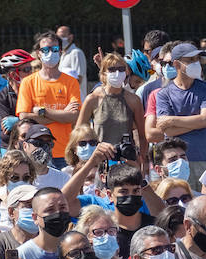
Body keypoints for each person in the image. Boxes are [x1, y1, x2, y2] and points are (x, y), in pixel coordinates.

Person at [147, 42, 206, 184]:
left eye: (197, 60)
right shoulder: (163, 94)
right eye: (190, 60)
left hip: (205, 160)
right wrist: (200, 123)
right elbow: (167, 130)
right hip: (176, 165)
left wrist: (173, 120)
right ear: (177, 64)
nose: (196, 63)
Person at [16, 33, 81, 163]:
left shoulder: (71, 82)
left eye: (54, 49)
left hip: (65, 153)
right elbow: (24, 117)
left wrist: (42, 112)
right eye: (45, 49)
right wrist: (62, 115)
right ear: (38, 53)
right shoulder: (28, 82)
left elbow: (74, 116)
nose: (50, 53)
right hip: (35, 152)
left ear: (61, 52)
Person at [77, 52, 147, 166]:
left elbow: (143, 136)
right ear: (104, 73)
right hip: (99, 161)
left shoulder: (134, 100)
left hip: (126, 162)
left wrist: (141, 161)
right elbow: (78, 133)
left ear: (126, 72)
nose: (117, 73)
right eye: (112, 69)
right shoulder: (92, 99)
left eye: (121, 69)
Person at [55, 25, 89, 99]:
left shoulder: (76, 53)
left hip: (77, 99)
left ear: (70, 37)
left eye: (62, 36)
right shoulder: (62, 54)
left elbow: (78, 79)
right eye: (57, 37)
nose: (59, 40)